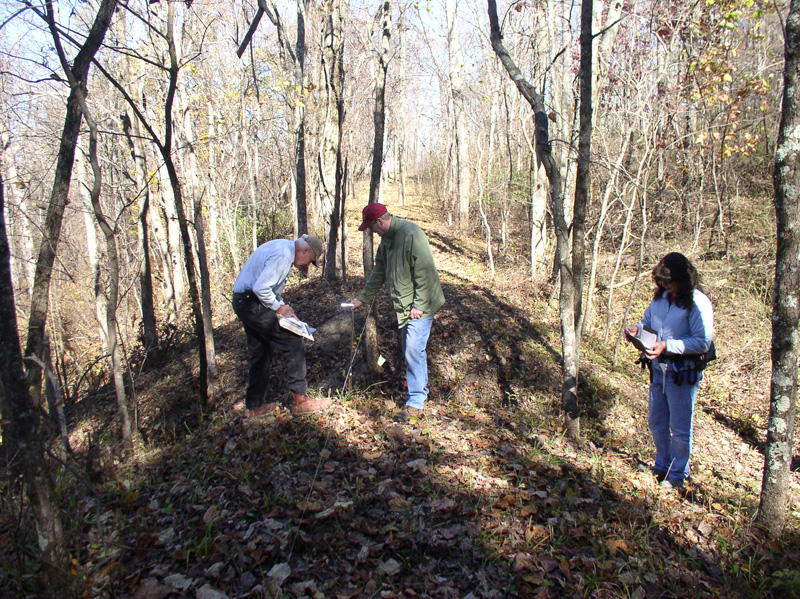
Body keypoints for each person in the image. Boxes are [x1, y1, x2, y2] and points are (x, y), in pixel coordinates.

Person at [624, 252, 714, 489]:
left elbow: (702, 341)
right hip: (659, 369)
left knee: (680, 427)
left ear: (683, 279)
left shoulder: (698, 303)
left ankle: (677, 474)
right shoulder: (660, 299)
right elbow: (649, 324)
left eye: (669, 282)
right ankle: (661, 464)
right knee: (656, 421)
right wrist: (637, 329)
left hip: (683, 372)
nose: (664, 286)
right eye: (661, 282)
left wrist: (667, 345)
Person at [350, 203, 445, 422]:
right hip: (404, 307)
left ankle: (416, 401)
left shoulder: (411, 233)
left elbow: (425, 270)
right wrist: (362, 298)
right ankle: (415, 387)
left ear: (380, 222)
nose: (372, 232)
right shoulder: (386, 242)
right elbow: (378, 273)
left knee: (413, 349)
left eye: (372, 228)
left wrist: (419, 304)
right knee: (409, 350)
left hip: (422, 304)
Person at [232, 234, 331, 417]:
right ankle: (300, 401)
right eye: (309, 261)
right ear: (306, 250)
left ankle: (254, 407)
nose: (306, 265)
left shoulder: (282, 247)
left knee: (261, 352)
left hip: (244, 302)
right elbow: (261, 288)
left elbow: (271, 289)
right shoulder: (283, 256)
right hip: (252, 303)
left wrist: (284, 309)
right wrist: (278, 307)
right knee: (293, 342)